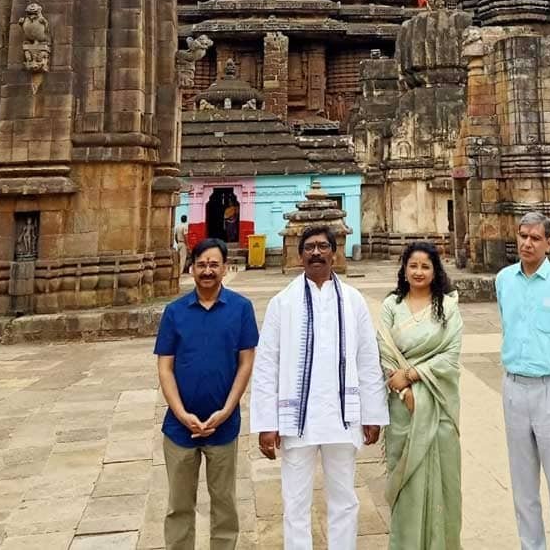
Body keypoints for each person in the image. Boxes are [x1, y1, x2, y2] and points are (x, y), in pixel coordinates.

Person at [250, 225, 389, 550]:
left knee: (345, 499)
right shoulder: (281, 303)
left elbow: (368, 358)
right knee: (295, 503)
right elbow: (266, 364)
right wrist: (267, 423)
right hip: (297, 421)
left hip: (342, 418)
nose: (316, 252)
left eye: (322, 246)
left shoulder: (353, 301)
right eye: (309, 247)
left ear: (334, 252)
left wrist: (372, 413)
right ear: (300, 256)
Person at [154, 238, 258, 550]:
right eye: (201, 264)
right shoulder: (174, 312)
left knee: (224, 504)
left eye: (214, 264)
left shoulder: (241, 309)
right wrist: (182, 414)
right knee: (179, 505)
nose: (207, 271)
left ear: (225, 268)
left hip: (223, 426)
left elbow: (245, 364)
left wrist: (227, 410)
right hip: (179, 428)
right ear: (191, 268)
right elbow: (165, 369)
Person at [495, 212, 550, 550]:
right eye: (522, 236)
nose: (527, 243)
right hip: (514, 386)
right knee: (522, 480)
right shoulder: (504, 280)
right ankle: (531, 545)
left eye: (534, 238)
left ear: (549, 242)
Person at [378, 242, 464, 550]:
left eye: (425, 266)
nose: (418, 272)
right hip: (402, 409)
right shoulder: (391, 306)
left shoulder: (448, 306)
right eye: (412, 266)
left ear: (435, 271)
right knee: (406, 484)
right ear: (403, 269)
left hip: (438, 403)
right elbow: (385, 352)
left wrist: (414, 376)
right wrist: (402, 390)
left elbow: (451, 354)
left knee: (444, 484)